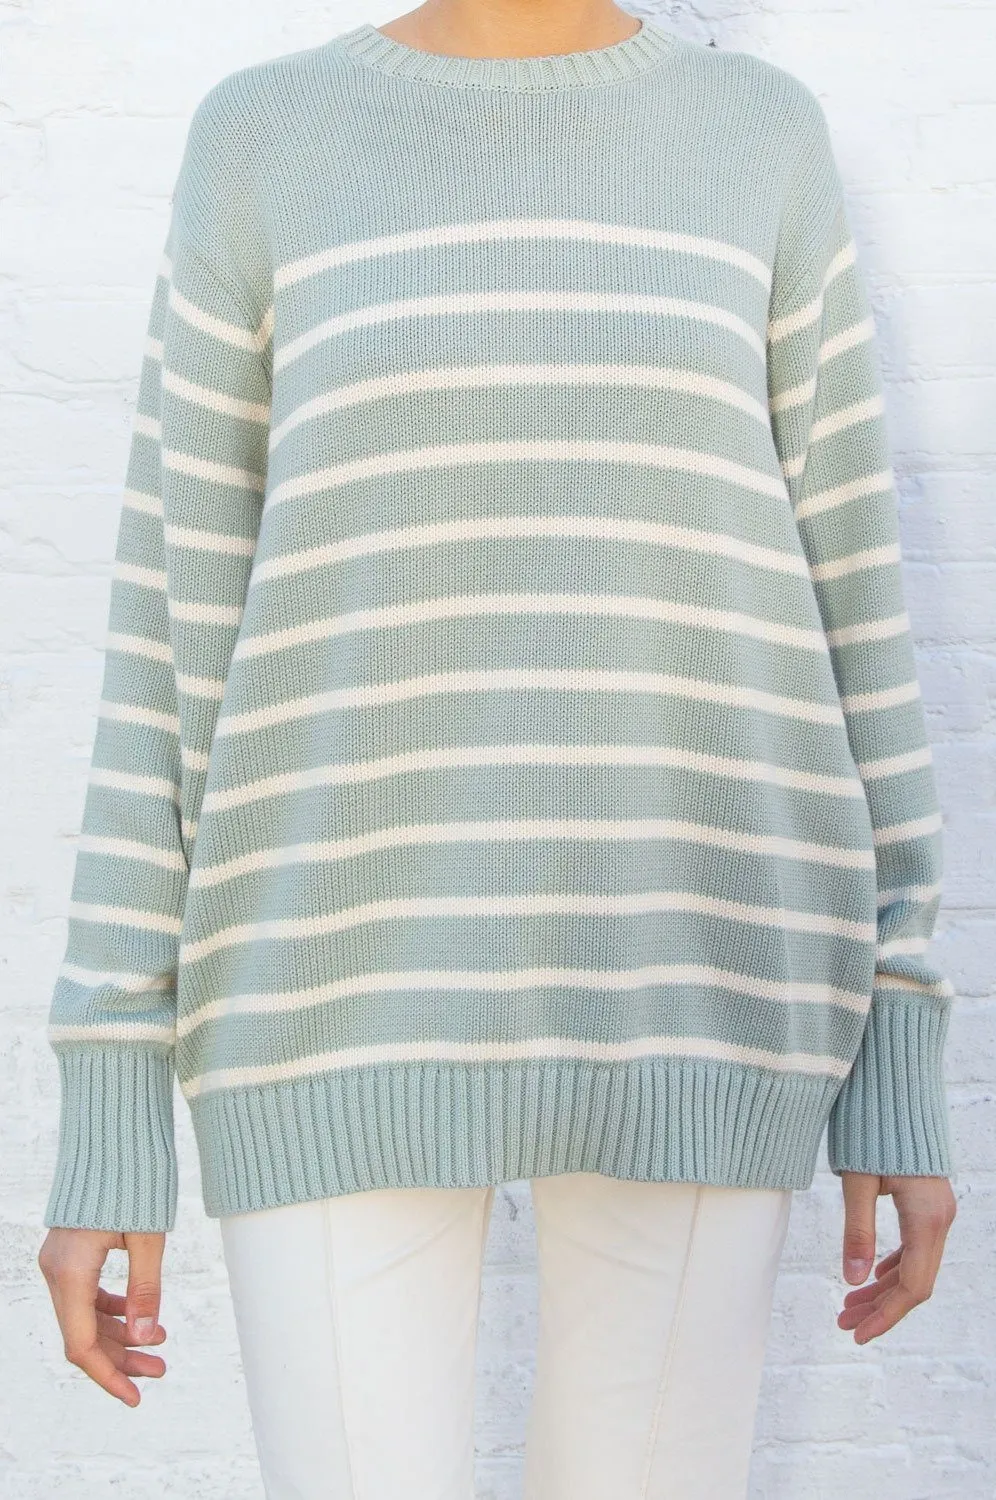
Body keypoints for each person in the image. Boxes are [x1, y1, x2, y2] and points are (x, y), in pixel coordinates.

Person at [37, 1, 958, 1495]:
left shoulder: (758, 139)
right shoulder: (264, 141)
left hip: (698, 985)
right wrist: (109, 1101)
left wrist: (901, 1045)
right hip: (326, 1000)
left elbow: (856, 606)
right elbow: (168, 639)